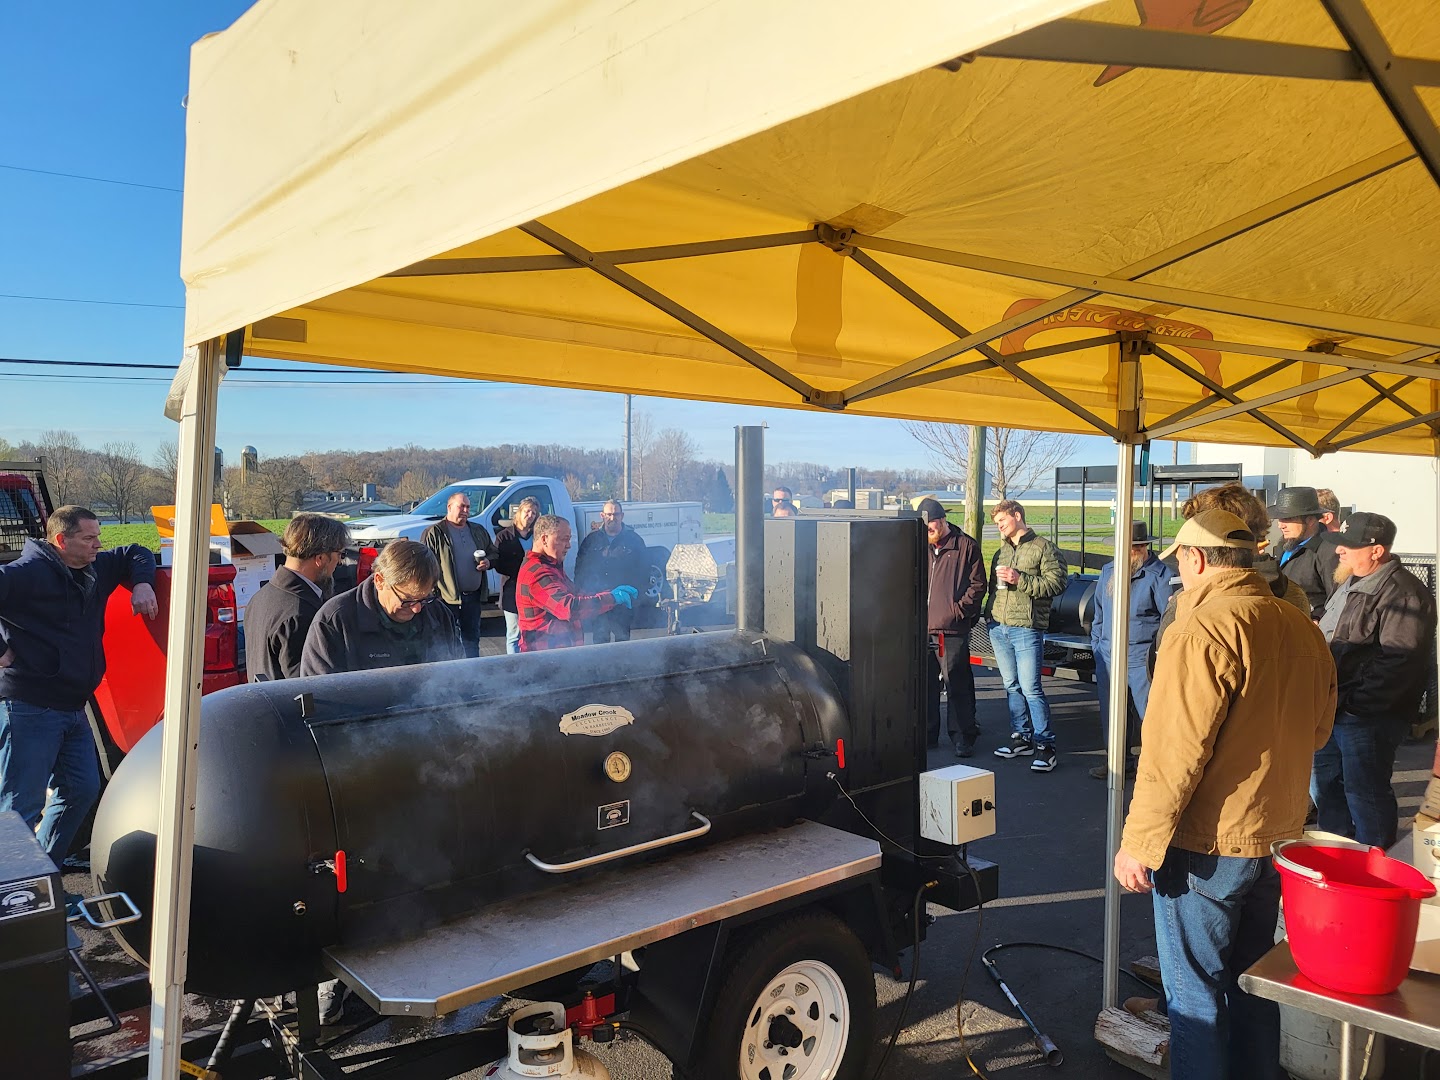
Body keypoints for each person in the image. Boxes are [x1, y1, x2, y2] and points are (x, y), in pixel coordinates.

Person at [1114, 509, 1336, 1080]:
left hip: (1207, 843)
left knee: (1195, 1000)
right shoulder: (1300, 624)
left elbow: (1171, 756)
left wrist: (1138, 842)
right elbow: (1319, 731)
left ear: (1197, 558)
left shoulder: (1201, 628)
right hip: (1276, 836)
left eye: (1181, 562)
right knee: (1251, 984)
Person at [0, 506, 157, 866]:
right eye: (89, 538)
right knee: (20, 808)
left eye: (98, 536)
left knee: (81, 791)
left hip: (74, 705)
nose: (98, 545)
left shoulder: (94, 567)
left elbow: (136, 551)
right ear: (60, 540)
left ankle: (44, 881)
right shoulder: (27, 573)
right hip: (29, 705)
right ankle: (14, 903)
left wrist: (143, 581)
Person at [1314, 512, 1436, 848]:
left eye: (1347, 546)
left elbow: (1398, 663)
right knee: (1327, 788)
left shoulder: (1405, 594)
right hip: (1335, 708)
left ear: (1376, 551)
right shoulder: (1350, 581)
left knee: (1364, 793)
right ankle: (1336, 856)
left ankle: (1373, 865)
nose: (1339, 550)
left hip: (1364, 716)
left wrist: (1354, 706)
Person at [986, 500, 1068, 772]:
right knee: (1011, 685)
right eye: (997, 523)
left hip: (1027, 628)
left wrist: (1020, 579)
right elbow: (993, 590)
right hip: (999, 626)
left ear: (1018, 516)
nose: (999, 526)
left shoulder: (1044, 548)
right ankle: (1020, 737)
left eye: (1002, 521)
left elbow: (1057, 583)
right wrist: (989, 617)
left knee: (1032, 688)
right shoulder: (1001, 551)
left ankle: (1046, 747)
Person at [301, 539, 462, 675]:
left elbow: (460, 674)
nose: (417, 609)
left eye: (424, 599)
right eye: (407, 600)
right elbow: (321, 697)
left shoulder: (439, 614)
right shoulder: (334, 622)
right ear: (379, 581)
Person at [1088, 522, 1172, 781]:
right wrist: (1098, 645)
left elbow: (1168, 621)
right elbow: (1099, 613)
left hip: (1141, 658)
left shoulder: (1161, 576)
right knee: (1112, 714)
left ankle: (1153, 768)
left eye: (1128, 548)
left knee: (1150, 714)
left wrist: (1156, 657)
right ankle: (1116, 763)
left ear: (1141, 548)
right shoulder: (1108, 571)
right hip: (1109, 655)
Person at [244, 514, 351, 681]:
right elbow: (304, 686)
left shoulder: (261, 596)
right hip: (285, 706)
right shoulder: (300, 614)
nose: (339, 562)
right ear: (321, 558)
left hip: (264, 702)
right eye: (340, 554)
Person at [918, 498, 986, 758]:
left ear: (942, 520)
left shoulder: (966, 546)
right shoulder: (919, 546)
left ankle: (962, 737)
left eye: (930, 524)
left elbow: (978, 586)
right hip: (923, 628)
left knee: (957, 683)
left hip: (952, 630)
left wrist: (957, 612)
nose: (928, 531)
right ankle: (927, 735)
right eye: (923, 526)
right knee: (925, 687)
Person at [516, 515, 635, 651]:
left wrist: (610, 593)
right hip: (545, 659)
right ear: (544, 539)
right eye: (563, 539)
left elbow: (575, 594)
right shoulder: (538, 573)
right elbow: (569, 608)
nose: (569, 545)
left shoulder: (551, 566)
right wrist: (612, 598)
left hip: (559, 655)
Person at [422, 492, 495, 658]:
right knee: (445, 641)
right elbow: (425, 567)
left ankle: (473, 674)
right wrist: (434, 596)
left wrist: (489, 562)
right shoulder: (434, 533)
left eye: (468, 507)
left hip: (473, 598)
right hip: (446, 599)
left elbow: (494, 553)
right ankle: (449, 676)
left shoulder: (478, 530)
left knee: (472, 640)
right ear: (449, 507)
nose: (465, 510)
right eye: (461, 506)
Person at [575, 501, 648, 644]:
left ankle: (622, 666)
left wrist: (637, 596)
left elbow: (644, 568)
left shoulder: (634, 540)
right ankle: (602, 667)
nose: (612, 518)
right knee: (600, 642)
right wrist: (582, 592)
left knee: (622, 642)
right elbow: (580, 567)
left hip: (623, 602)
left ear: (622, 516)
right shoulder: (591, 540)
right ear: (602, 516)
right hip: (598, 601)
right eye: (608, 514)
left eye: (616, 514)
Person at [1269, 486, 1338, 619]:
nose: (1281, 525)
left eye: (1288, 519)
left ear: (1311, 520)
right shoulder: (1283, 545)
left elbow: (1337, 600)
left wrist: (1319, 621)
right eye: (1279, 519)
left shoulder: (1328, 551)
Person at [494, 496, 540, 654]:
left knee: (533, 634)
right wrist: (522, 569)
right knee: (514, 634)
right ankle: (513, 669)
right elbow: (497, 563)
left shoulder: (538, 536)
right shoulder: (504, 537)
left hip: (535, 592)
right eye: (528, 511)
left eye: (534, 513)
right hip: (512, 591)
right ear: (519, 512)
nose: (530, 515)